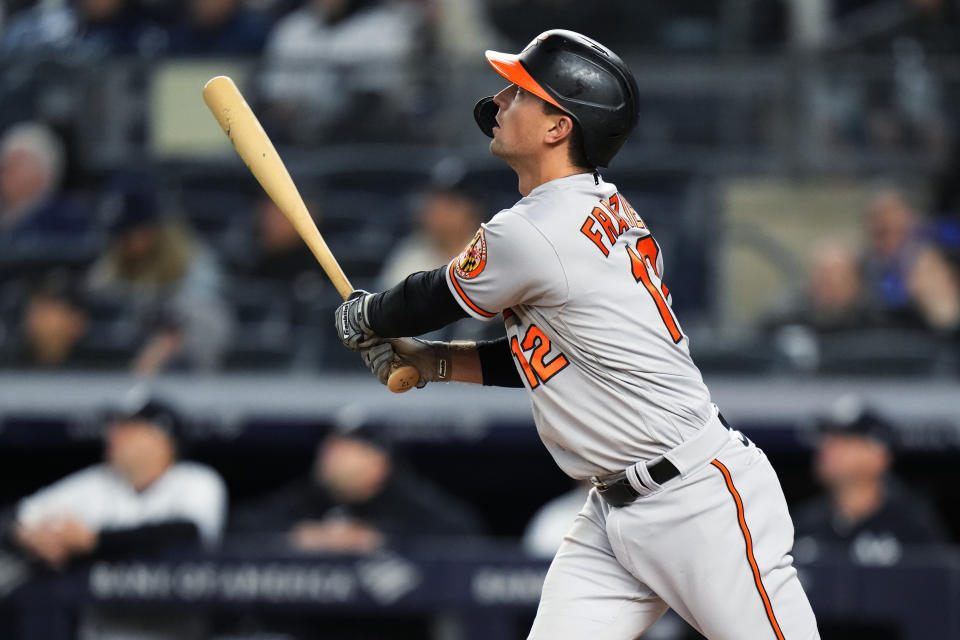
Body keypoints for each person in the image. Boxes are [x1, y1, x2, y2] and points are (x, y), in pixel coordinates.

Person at [335, 29, 819, 639]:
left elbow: (426, 298)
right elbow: (545, 361)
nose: (500, 101)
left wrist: (367, 313)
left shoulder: (537, 228)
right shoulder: (593, 210)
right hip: (611, 513)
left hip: (698, 499)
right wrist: (433, 363)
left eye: (519, 93)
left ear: (558, 127)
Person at [4, 393, 227, 639]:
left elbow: (185, 530)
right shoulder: (98, 482)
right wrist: (31, 536)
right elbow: (16, 516)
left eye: (127, 428)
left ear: (160, 438)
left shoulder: (196, 480)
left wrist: (93, 541)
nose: (113, 434)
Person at [230, 421, 483, 552]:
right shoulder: (311, 492)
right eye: (329, 444)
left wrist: (380, 539)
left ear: (378, 463)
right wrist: (296, 536)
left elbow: (463, 532)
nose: (328, 453)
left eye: (344, 446)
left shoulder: (403, 496)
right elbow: (240, 526)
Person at [86, 181, 233, 373]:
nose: (127, 242)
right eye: (121, 235)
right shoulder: (112, 263)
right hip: (123, 369)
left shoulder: (192, 261)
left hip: (188, 373)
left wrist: (168, 341)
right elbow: (95, 298)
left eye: (131, 233)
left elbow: (212, 324)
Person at [793, 397, 948, 566]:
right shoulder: (803, 524)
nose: (826, 447)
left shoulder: (912, 527)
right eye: (826, 438)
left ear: (879, 456)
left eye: (845, 440)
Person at [0, 122, 89, 245]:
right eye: (5, 162)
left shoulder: (64, 220)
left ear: (43, 171)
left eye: (17, 161)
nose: (6, 168)